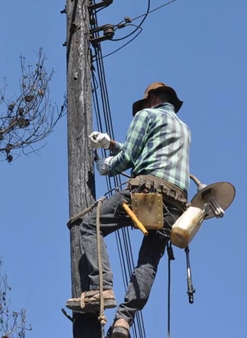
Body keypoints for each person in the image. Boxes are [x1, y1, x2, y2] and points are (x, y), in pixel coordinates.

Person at [66, 82, 191, 338]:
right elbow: (147, 153)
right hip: (175, 206)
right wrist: (110, 143)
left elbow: (130, 158)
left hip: (147, 193)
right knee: (148, 261)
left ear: (152, 98)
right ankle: (124, 320)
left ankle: (101, 287)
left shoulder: (146, 115)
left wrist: (107, 166)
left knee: (91, 225)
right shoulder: (184, 128)